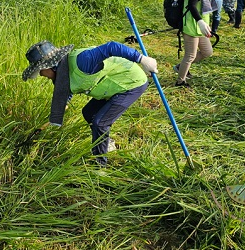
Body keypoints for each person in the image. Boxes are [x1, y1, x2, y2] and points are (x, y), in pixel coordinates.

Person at [22, 40, 158, 166]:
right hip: (110, 88)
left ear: (50, 66)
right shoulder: (62, 73)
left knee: (101, 122)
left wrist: (142, 59)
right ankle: (106, 143)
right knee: (89, 113)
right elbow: (69, 88)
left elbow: (111, 47)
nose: (40, 74)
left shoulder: (83, 61)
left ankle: (100, 165)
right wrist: (61, 107)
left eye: (40, 71)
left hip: (130, 83)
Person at [173, 0, 222, 87]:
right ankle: (180, 81)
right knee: (190, 55)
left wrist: (204, 24)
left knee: (207, 52)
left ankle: (180, 67)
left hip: (200, 27)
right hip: (191, 26)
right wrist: (200, 22)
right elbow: (192, 5)